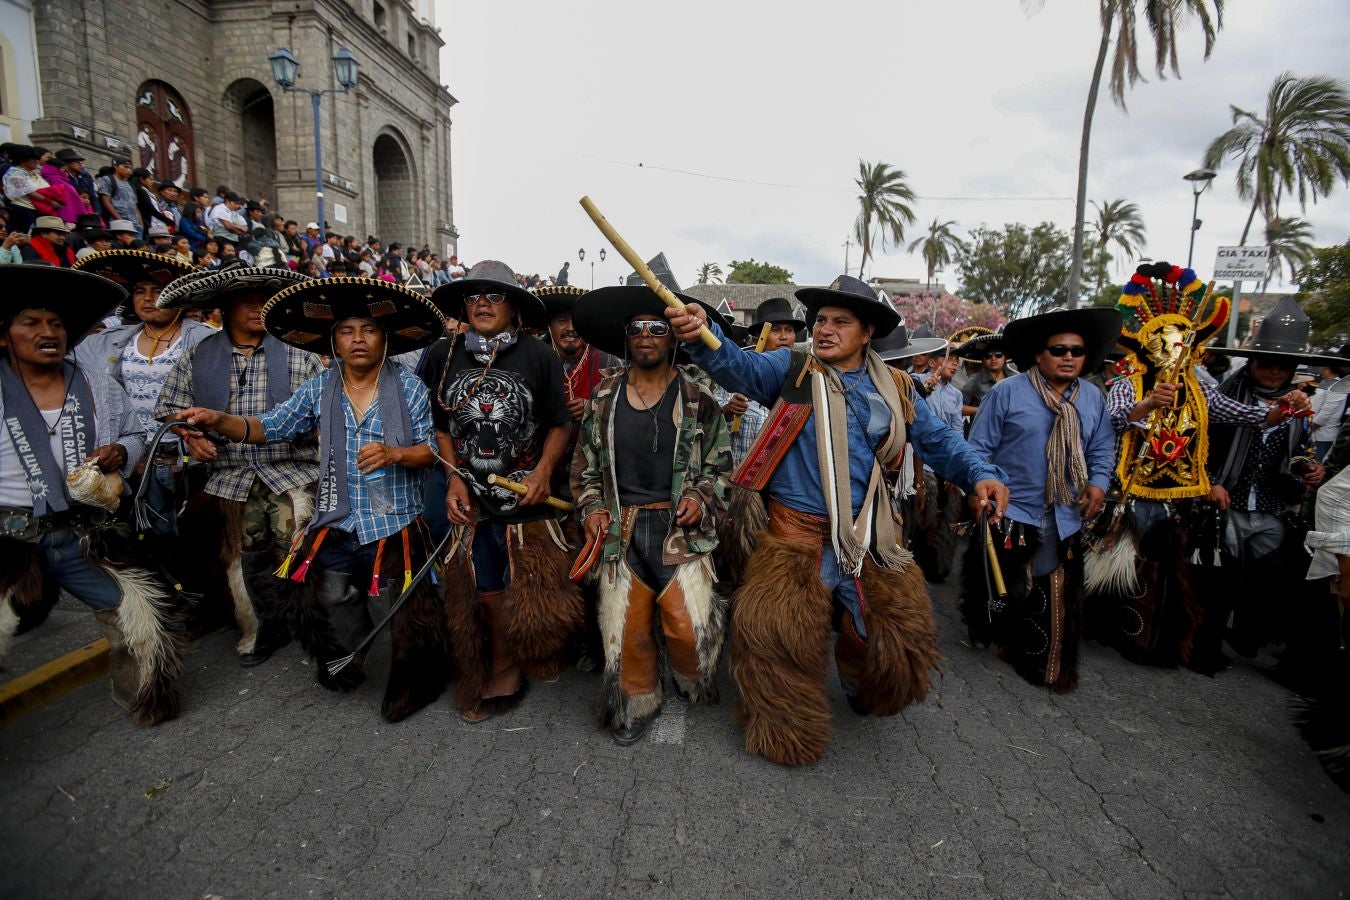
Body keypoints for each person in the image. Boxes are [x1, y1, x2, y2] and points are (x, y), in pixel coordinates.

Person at [667, 274, 1009, 766]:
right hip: (795, 539)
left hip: (870, 536)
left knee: (896, 637)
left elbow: (939, 442)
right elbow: (736, 365)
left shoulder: (897, 388)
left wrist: (980, 474)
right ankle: (787, 730)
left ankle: (851, 673)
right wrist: (701, 333)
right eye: (821, 320)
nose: (825, 329)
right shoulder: (791, 370)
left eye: (840, 322)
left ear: (867, 332)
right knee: (775, 642)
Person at [176, 276, 451, 722]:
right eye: (347, 331)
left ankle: (415, 681)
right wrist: (218, 419)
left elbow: (434, 452)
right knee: (335, 596)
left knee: (406, 610)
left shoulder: (410, 389)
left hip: (395, 521)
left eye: (368, 329)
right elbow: (268, 426)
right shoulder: (319, 389)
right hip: (338, 518)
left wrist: (395, 452)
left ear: (385, 339)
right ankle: (351, 658)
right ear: (334, 342)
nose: (358, 339)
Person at [1087, 264, 1304, 672]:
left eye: (1180, 345)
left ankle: (1151, 632)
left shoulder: (1201, 390)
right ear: (1147, 348)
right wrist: (1150, 404)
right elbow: (1115, 421)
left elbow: (1247, 415)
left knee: (1166, 569)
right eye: (1164, 344)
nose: (1173, 352)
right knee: (1116, 563)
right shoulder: (1128, 385)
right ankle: (1107, 626)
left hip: (1179, 497)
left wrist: (1284, 410)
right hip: (1131, 492)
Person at [0, 265, 183, 726]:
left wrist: (123, 449)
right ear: (4, 336)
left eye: (56, 323)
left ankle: (144, 698)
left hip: (86, 534)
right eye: (32, 323)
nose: (48, 332)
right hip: (10, 537)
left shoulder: (94, 383)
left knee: (137, 621)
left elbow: (137, 430)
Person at [570, 284, 733, 744]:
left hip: (678, 532)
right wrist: (593, 508)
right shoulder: (603, 398)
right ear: (627, 339)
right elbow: (583, 468)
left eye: (657, 328)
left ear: (673, 339)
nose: (645, 336)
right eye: (637, 329)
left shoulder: (699, 398)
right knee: (626, 632)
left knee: (688, 634)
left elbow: (722, 466)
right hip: (621, 531)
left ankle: (687, 676)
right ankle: (637, 699)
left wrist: (701, 496)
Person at [426, 260, 584, 722]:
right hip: (472, 494)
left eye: (494, 296)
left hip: (528, 495)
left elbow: (559, 422)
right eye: (473, 296)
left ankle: (539, 651)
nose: (482, 304)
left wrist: (541, 471)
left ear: (513, 306)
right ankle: (503, 661)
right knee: (484, 588)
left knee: (537, 590)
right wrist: (454, 475)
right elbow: (441, 427)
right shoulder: (443, 354)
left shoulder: (538, 356)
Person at [153, 262, 322, 666]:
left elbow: (327, 413)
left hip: (291, 470)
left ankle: (311, 625)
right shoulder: (201, 355)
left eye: (265, 301)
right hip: (231, 477)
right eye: (247, 302)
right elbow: (168, 409)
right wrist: (192, 436)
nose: (257, 308)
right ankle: (260, 629)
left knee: (296, 550)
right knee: (243, 558)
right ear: (225, 309)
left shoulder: (299, 354)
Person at [960, 306, 1120, 693]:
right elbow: (978, 448)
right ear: (1038, 354)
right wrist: (976, 491)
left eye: (1077, 351)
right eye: (1059, 349)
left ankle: (1032, 648)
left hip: (1065, 511)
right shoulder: (1006, 392)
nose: (1068, 357)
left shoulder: (1094, 399)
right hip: (1010, 508)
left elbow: (1102, 447)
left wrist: (1098, 484)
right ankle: (990, 628)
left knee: (1050, 584)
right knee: (999, 583)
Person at [1202, 296, 1331, 665]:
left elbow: (1302, 449)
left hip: (1272, 506)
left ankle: (1249, 635)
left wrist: (1309, 466)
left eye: (1284, 365)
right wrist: (1211, 481)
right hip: (1226, 502)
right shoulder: (1223, 397)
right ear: (1253, 363)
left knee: (1272, 581)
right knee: (1221, 578)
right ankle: (1208, 641)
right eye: (1268, 363)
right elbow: (1200, 446)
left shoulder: (1300, 409)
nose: (1275, 371)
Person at [72, 249, 205, 532]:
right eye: (139, 291)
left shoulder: (206, 340)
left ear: (179, 297)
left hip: (190, 463)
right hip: (133, 464)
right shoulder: (107, 343)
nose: (147, 298)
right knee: (140, 542)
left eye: (157, 290)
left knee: (193, 542)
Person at [3, 145, 61, 232]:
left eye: (36, 159)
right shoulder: (14, 174)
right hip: (23, 210)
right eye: (32, 159)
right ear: (22, 160)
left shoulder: (34, 173)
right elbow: (29, 191)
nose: (36, 161)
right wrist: (50, 202)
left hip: (38, 210)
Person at [960, 329, 1009, 418]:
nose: (993, 358)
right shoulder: (975, 379)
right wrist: (982, 409)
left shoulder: (1013, 377)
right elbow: (958, 407)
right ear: (982, 359)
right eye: (988, 356)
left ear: (1005, 357)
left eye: (998, 355)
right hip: (983, 428)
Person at [98, 157, 140, 232]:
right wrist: (120, 220)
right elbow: (106, 202)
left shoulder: (131, 185)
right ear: (115, 166)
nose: (129, 170)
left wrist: (140, 223)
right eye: (125, 167)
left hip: (134, 226)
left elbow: (135, 206)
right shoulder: (108, 179)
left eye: (130, 168)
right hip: (117, 225)